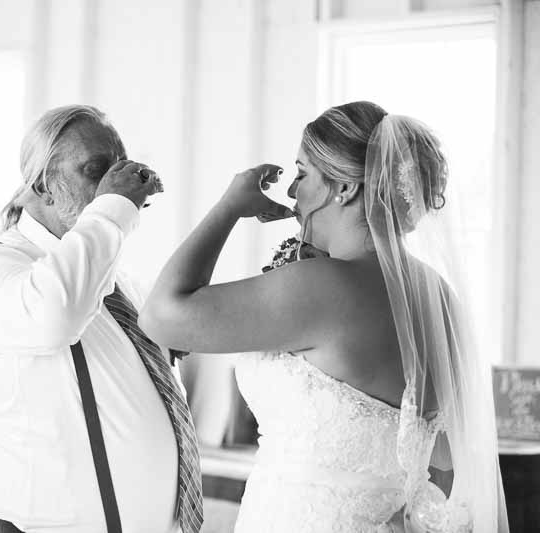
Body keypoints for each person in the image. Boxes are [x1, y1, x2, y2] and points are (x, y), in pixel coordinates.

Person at [140, 101, 508, 532]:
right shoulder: (439, 298)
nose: (291, 192)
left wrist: (230, 206)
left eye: (302, 174)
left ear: (345, 188)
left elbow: (161, 316)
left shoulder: (322, 286)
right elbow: (444, 459)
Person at [0, 105, 202, 533]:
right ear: (43, 185)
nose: (113, 186)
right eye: (96, 171)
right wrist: (114, 208)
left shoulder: (114, 282)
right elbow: (56, 317)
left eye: (119, 172)